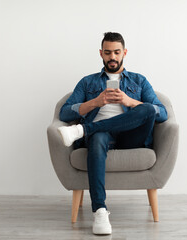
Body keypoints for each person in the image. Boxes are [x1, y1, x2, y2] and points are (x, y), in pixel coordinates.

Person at [58, 32, 167, 235]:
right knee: (98, 137)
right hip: (102, 137)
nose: (112, 57)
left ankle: (83, 130)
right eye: (108, 53)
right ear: (101, 53)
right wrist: (95, 102)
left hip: (131, 136)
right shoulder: (88, 82)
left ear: (124, 52)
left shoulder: (139, 80)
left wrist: (129, 102)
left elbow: (162, 112)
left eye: (117, 52)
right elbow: (64, 111)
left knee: (149, 109)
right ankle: (99, 210)